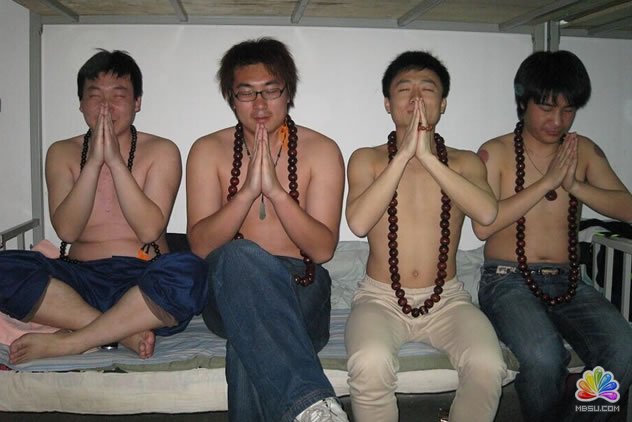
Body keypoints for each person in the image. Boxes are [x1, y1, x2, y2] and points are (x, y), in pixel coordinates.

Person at [0, 50, 208, 364]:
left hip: (141, 282)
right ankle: (120, 332)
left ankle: (76, 340)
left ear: (137, 102)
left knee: (191, 272)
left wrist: (115, 161)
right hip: (78, 282)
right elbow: (67, 230)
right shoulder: (62, 152)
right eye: (95, 96)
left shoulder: (161, 150)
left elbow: (149, 230)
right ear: (81, 104)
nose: (106, 107)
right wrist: (94, 162)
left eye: (118, 96)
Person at [186, 38, 347, 422]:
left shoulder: (322, 150)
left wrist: (276, 192)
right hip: (228, 284)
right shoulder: (207, 150)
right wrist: (246, 194)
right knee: (237, 257)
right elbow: (201, 247)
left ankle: (309, 407)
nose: (259, 104)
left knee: (248, 343)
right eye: (246, 93)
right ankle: (309, 402)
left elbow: (322, 250)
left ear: (288, 93)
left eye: (271, 90)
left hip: (302, 287)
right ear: (231, 98)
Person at [344, 51, 506, 422]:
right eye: (405, 89)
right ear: (388, 104)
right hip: (380, 298)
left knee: (487, 364)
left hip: (447, 299)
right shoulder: (367, 159)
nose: (416, 97)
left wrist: (429, 157)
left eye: (428, 89)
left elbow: (487, 213)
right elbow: (358, 223)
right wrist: (403, 156)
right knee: (369, 362)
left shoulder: (465, 162)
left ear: (443, 103)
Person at [474, 50, 632, 422]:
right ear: (523, 103)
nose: (557, 121)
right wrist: (547, 183)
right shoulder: (494, 152)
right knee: (543, 357)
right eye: (546, 108)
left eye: (568, 110)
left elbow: (627, 207)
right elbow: (483, 226)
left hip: (570, 280)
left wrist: (575, 186)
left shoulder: (583, 150)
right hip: (507, 280)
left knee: (623, 350)